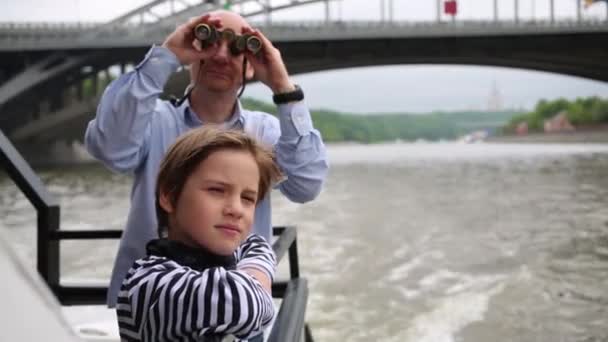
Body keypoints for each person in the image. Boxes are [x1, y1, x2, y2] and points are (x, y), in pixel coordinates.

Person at [84, 10, 329, 307]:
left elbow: (307, 185)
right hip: (153, 307)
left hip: (235, 312)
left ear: (250, 65)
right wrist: (167, 55)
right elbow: (110, 149)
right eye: (209, 41)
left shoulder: (263, 132)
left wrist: (284, 89)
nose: (222, 55)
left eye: (238, 46)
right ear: (191, 56)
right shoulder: (154, 121)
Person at [117, 127, 281, 341]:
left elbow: (256, 244)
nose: (236, 209)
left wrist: (253, 275)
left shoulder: (219, 258)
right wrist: (260, 281)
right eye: (216, 190)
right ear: (168, 195)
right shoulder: (150, 282)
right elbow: (247, 305)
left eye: (248, 198)